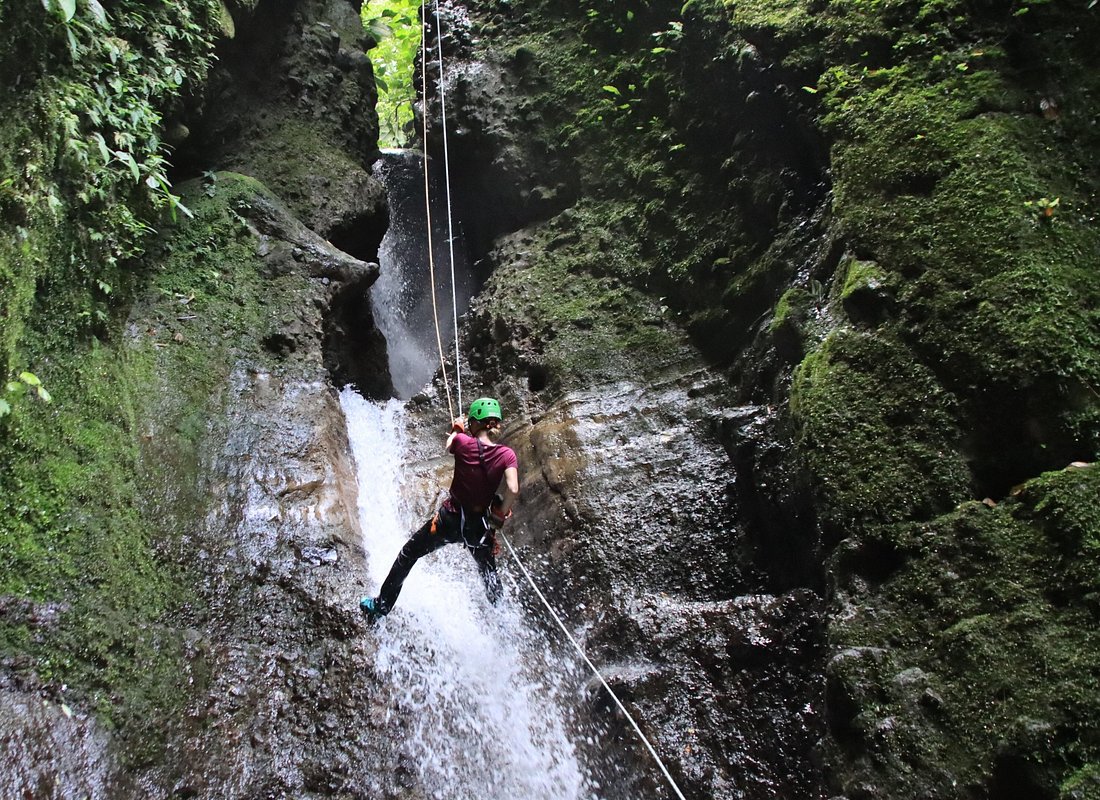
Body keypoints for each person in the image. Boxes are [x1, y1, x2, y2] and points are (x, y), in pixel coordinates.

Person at [360, 397, 520, 620]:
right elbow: (512, 487)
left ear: (474, 422)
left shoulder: (463, 442)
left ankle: (380, 607)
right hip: (478, 528)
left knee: (408, 555)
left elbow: (449, 445)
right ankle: (503, 618)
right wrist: (500, 513)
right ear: (495, 424)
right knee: (488, 571)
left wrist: (457, 428)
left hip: (449, 521)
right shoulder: (507, 455)